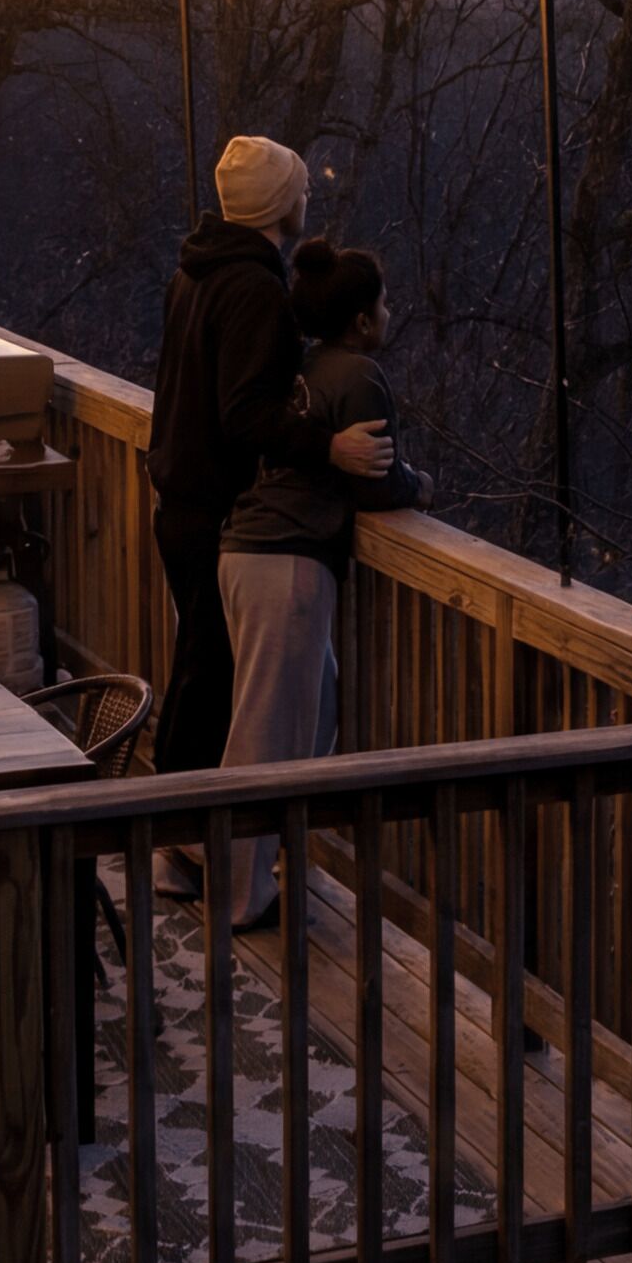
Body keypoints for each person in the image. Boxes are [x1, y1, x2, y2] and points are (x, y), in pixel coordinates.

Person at [147, 137, 392, 820]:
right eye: (301, 188)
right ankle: (178, 837)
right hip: (213, 507)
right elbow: (245, 414)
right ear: (278, 200)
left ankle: (178, 833)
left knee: (200, 671)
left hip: (179, 497)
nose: (308, 198)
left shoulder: (194, 273)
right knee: (210, 681)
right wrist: (330, 447)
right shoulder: (253, 287)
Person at [213, 241, 423, 925]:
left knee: (313, 715)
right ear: (363, 320)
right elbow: (378, 482)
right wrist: (423, 485)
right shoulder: (359, 376)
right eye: (384, 303)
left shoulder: (302, 367)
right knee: (265, 740)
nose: (389, 312)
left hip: (246, 549)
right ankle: (241, 897)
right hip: (291, 563)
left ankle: (278, 864)